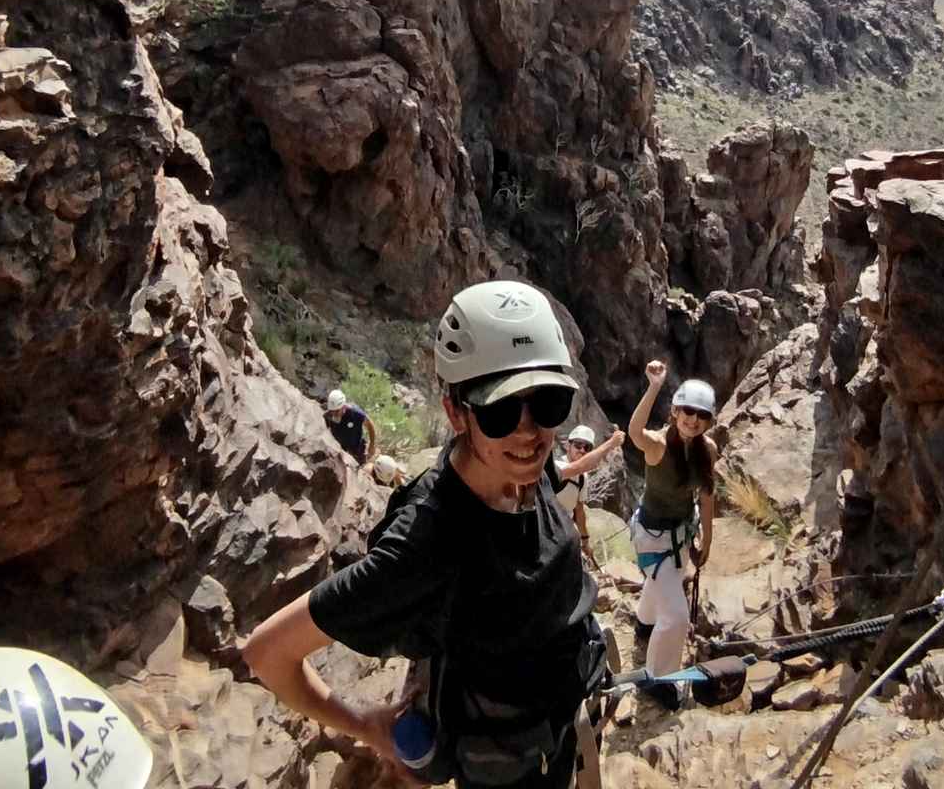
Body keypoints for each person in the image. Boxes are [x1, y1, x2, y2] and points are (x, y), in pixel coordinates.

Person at [244, 281, 608, 788]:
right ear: (456, 412)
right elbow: (268, 653)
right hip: (508, 766)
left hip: (563, 725)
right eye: (501, 410)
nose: (529, 431)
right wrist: (365, 726)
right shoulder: (425, 543)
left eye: (548, 403)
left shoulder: (521, 467)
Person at [626, 361, 720, 709]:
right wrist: (654, 386)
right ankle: (658, 678)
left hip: (681, 533)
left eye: (700, 414)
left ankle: (644, 624)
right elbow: (635, 431)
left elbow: (707, 496)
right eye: (687, 411)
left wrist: (707, 541)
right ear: (675, 411)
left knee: (663, 585)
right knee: (677, 616)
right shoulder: (657, 446)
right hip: (653, 535)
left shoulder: (705, 449)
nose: (692, 419)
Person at [553, 425, 625, 567]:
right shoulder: (556, 466)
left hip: (565, 532)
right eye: (578, 445)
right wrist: (610, 444)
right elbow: (578, 466)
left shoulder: (582, 478)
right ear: (568, 445)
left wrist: (585, 541)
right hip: (547, 529)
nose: (582, 450)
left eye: (586, 448)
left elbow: (579, 510)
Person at [325, 388, 378, 464]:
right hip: (340, 447)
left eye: (337, 411)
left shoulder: (356, 413)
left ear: (343, 406)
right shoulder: (329, 415)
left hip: (356, 447)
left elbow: (370, 425)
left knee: (360, 465)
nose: (334, 414)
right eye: (332, 411)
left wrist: (372, 444)